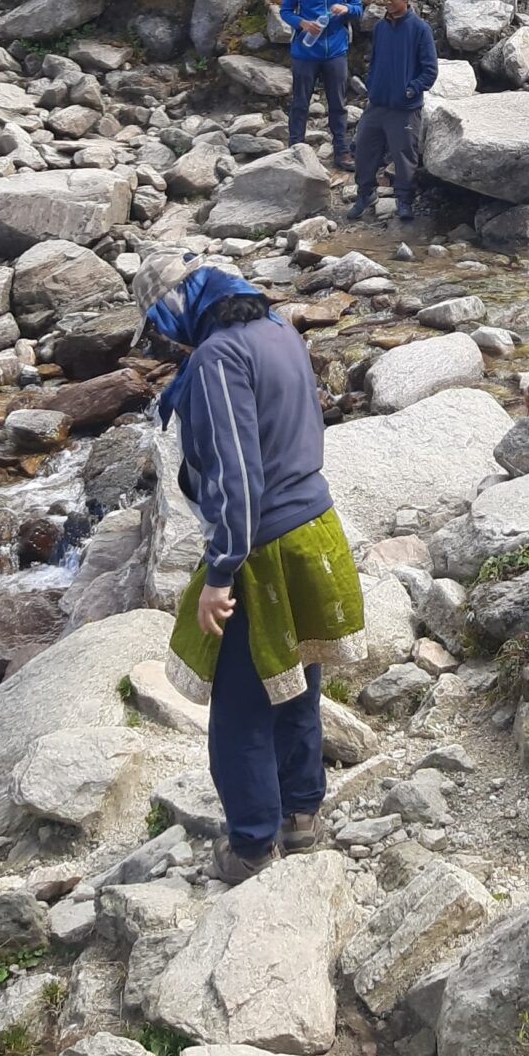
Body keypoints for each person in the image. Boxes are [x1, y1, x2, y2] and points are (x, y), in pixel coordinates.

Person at [143, 264, 366, 885]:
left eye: (160, 327)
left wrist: (220, 573)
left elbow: (237, 476)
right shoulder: (279, 329)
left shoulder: (216, 359)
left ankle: (251, 846)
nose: (165, 341)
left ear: (184, 310)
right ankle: (301, 815)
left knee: (240, 707)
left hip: (263, 550)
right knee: (294, 679)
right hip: (315, 531)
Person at [353, 0, 437, 225]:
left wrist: (411, 90)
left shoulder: (420, 29)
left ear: (406, 0)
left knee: (404, 157)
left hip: (405, 108)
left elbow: (430, 70)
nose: (388, 3)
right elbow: (374, 61)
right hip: (377, 105)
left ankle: (404, 200)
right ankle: (365, 194)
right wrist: (372, 85)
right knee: (363, 150)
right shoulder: (380, 27)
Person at [281, 0, 362, 167]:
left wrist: (346, 9)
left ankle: (342, 152)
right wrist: (303, 24)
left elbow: (358, 8)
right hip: (305, 52)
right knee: (300, 103)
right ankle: (295, 150)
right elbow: (285, 11)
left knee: (338, 104)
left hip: (336, 51)